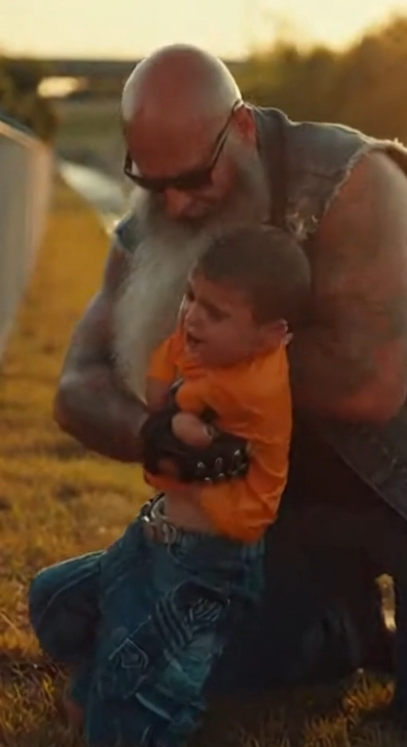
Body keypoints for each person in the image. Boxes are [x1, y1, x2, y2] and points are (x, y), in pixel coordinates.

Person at [28, 44, 407, 746]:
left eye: (193, 178)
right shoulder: (165, 205)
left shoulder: (352, 180)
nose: (176, 203)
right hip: (285, 506)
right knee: (164, 665)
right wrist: (155, 437)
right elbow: (78, 383)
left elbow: (369, 385)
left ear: (240, 128)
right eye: (152, 181)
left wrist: (218, 367)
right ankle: (343, 625)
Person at [31, 224, 311, 745]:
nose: (192, 316)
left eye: (215, 312)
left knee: (123, 726)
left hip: (205, 566)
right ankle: (107, 677)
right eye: (191, 296)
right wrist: (166, 418)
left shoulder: (250, 387)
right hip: (155, 537)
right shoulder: (215, 347)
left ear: (272, 336)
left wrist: (172, 424)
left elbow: (174, 420)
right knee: (55, 602)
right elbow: (165, 380)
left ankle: (153, 706)